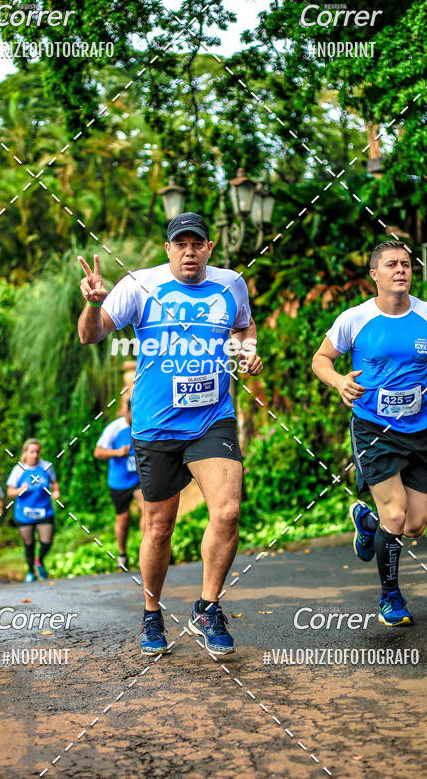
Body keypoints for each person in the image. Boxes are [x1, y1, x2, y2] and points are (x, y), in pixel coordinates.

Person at [77, 212, 262, 656]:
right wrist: (94, 305)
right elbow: (90, 336)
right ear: (168, 249)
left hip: (212, 417)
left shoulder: (231, 284)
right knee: (159, 527)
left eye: (197, 244)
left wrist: (246, 351)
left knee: (228, 511)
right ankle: (151, 612)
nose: (189, 252)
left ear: (210, 248)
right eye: (181, 244)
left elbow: (243, 326)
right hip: (156, 424)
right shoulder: (140, 285)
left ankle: (207, 607)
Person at [312, 240, 427, 627]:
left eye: (406, 264)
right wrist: (338, 381)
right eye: (392, 264)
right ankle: (390, 597)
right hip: (372, 427)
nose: (401, 270)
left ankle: (367, 524)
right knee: (395, 515)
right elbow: (321, 359)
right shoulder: (355, 319)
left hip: (417, 428)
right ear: (374, 274)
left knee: (415, 525)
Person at [94, 398, 144, 571]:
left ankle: (148, 552)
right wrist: (117, 452)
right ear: (127, 412)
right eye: (133, 415)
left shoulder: (145, 423)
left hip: (140, 478)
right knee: (123, 519)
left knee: (148, 510)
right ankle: (122, 554)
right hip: (120, 481)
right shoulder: (114, 428)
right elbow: (98, 452)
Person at [7, 438, 59, 582]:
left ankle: (39, 560)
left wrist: (56, 491)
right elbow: (10, 491)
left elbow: (54, 483)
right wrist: (20, 490)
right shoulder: (19, 469)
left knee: (47, 541)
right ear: (25, 452)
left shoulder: (47, 466)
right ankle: (31, 572)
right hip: (25, 513)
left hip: (44, 511)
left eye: (37, 452)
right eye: (32, 452)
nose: (35, 455)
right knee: (29, 544)